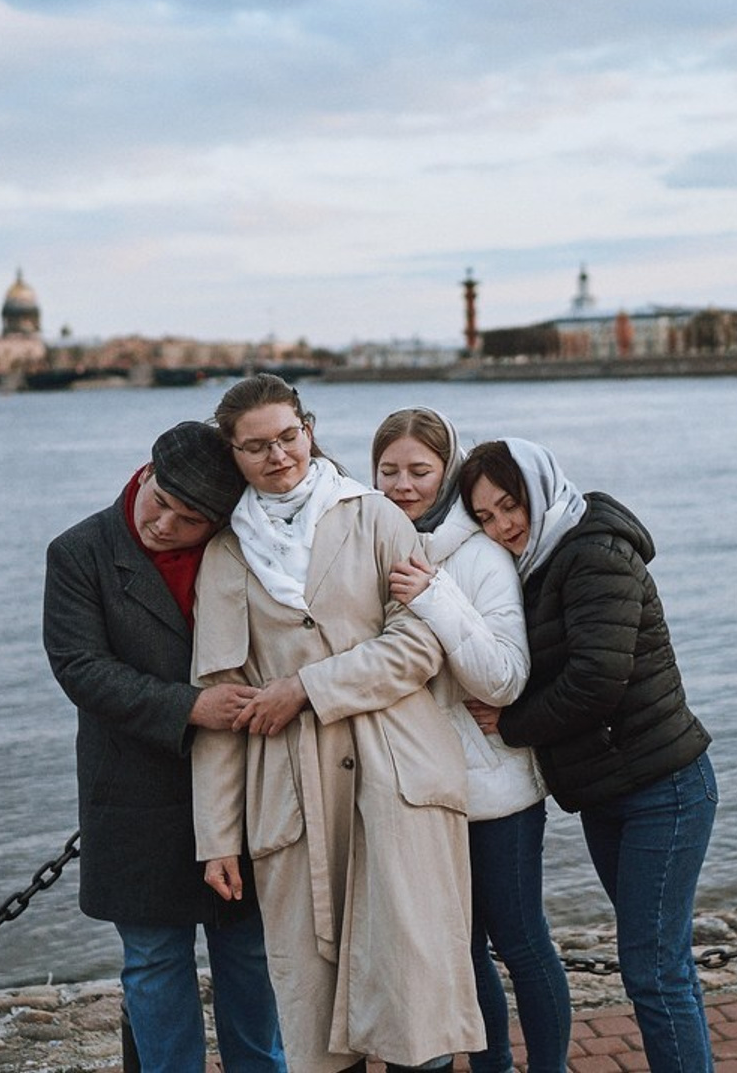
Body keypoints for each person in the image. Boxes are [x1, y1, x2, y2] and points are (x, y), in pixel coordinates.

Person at [191, 375, 485, 1073]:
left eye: (288, 436)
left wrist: (305, 688)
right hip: (291, 792)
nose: (278, 456)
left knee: (416, 1005)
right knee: (317, 1023)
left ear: (309, 429)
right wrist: (217, 837)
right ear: (233, 454)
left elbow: (419, 645)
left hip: (396, 774)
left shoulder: (376, 517)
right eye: (256, 446)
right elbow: (222, 700)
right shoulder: (226, 554)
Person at [458, 439, 717, 1073]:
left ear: (540, 490)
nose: (503, 526)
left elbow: (598, 679)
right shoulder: (540, 562)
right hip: (609, 791)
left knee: (653, 972)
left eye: (511, 505)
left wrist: (512, 725)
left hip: (664, 789)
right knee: (665, 967)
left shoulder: (595, 554)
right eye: (485, 517)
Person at [42, 421, 287, 1073]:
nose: (163, 525)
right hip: (133, 794)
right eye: (161, 503)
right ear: (145, 472)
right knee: (154, 961)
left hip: (239, 788)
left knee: (250, 955)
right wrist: (190, 707)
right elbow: (80, 669)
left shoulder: (248, 549)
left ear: (217, 522)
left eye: (188, 521)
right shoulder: (78, 552)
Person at [372, 408, 573, 1073]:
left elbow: (504, 679)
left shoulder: (481, 555)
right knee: (461, 950)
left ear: (449, 471)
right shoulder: (372, 549)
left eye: (419, 470)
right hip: (419, 792)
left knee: (520, 943)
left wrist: (436, 598)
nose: (403, 485)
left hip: (495, 791)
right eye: (389, 470)